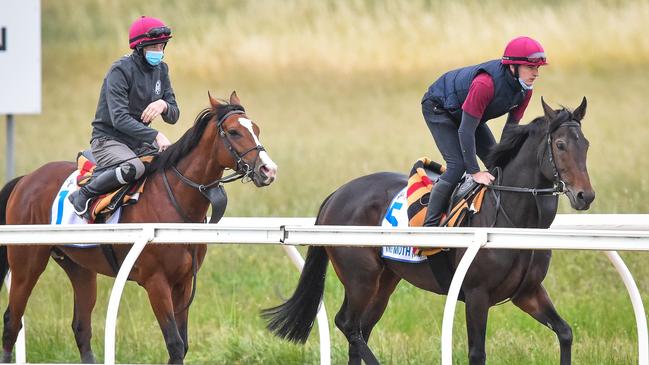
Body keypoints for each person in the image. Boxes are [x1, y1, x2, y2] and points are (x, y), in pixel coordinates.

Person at [420, 36, 547, 227]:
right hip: (439, 108)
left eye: (537, 68)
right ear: (512, 67)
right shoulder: (485, 84)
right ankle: (429, 228)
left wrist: (506, 159)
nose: (535, 73)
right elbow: (465, 131)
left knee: (498, 165)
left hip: (467, 113)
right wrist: (474, 172)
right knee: (458, 166)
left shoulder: (525, 91)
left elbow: (510, 130)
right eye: (530, 67)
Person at [69, 16, 180, 219]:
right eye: (153, 46)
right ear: (139, 47)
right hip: (108, 140)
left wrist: (163, 105)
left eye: (162, 46)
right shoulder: (119, 71)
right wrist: (155, 135)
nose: (159, 52)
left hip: (138, 143)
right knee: (134, 168)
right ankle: (83, 195)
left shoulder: (162, 70)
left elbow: (174, 115)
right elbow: (119, 119)